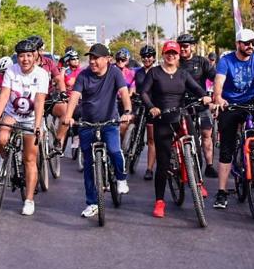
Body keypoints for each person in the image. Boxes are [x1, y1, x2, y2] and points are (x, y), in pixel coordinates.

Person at [211, 29, 254, 209]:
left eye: (253, 43)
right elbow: (218, 82)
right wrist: (218, 97)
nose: (250, 46)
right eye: (246, 43)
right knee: (226, 148)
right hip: (230, 104)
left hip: (250, 102)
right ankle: (221, 192)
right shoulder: (226, 61)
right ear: (238, 44)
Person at [140, 40, 210, 217]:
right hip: (162, 118)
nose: (171, 56)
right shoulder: (155, 73)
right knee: (163, 163)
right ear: (163, 54)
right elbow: (144, 93)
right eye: (168, 53)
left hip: (181, 115)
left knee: (195, 147)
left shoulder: (183, 74)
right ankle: (159, 201)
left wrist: (205, 97)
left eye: (174, 53)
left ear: (179, 56)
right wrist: (151, 107)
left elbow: (196, 88)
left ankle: (198, 183)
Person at [62, 43, 132, 218]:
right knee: (88, 165)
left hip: (110, 121)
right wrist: (68, 116)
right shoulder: (84, 75)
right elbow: (75, 97)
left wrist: (128, 112)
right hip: (87, 123)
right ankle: (92, 203)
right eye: (90, 58)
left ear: (107, 59)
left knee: (115, 150)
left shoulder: (115, 72)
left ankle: (121, 178)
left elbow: (124, 93)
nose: (92, 61)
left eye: (96, 58)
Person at [0, 39, 48, 216]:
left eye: (29, 56)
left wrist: (38, 126)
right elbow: (5, 93)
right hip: (13, 114)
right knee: (1, 138)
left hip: (31, 118)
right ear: (18, 57)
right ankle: (7, 159)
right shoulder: (11, 70)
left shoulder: (42, 74)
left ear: (35, 56)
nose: (25, 59)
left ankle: (29, 200)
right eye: (22, 56)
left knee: (30, 159)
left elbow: (39, 100)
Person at [177, 33, 217, 176]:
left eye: (186, 46)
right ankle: (182, 164)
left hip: (201, 103)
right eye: (180, 46)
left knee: (206, 134)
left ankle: (210, 165)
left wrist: (215, 96)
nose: (183, 49)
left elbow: (215, 78)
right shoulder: (175, 62)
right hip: (181, 105)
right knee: (180, 135)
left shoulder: (202, 62)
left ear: (193, 47)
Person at [134, 44, 158, 180]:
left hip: (153, 108)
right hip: (140, 107)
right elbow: (131, 86)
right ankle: (130, 148)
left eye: (149, 56)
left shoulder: (158, 72)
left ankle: (149, 169)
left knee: (151, 139)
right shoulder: (138, 73)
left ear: (154, 58)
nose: (146, 59)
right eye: (144, 56)